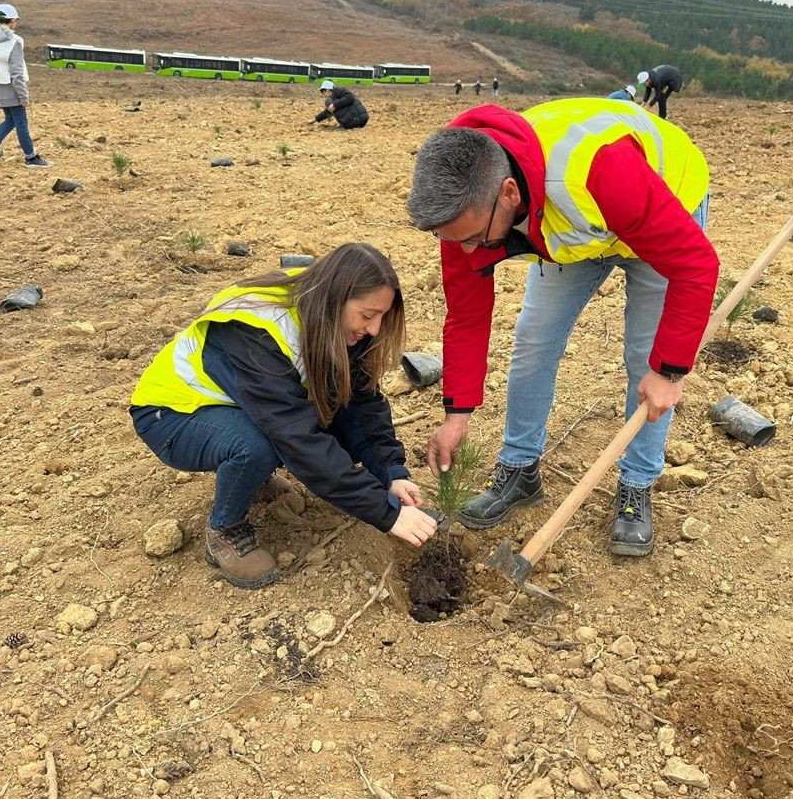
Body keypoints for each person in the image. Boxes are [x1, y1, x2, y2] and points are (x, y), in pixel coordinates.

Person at [405, 99, 718, 558]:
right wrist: (457, 415)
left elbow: (696, 265)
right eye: (455, 241)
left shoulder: (594, 170)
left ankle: (636, 484)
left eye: (474, 239)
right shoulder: (463, 207)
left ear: (509, 194)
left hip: (660, 203)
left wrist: (670, 371)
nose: (468, 252)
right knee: (534, 339)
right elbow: (467, 317)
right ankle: (519, 469)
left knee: (645, 359)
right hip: (578, 230)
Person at [129, 243, 439, 589]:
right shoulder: (257, 329)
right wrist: (386, 514)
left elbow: (362, 406)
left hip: (240, 404)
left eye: (381, 316)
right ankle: (225, 529)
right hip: (172, 414)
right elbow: (296, 437)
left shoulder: (332, 315)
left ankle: (254, 476)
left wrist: (390, 474)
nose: (376, 329)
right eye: (368, 316)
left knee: (324, 417)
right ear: (336, 297)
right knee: (260, 445)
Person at [0, 3, 51, 169]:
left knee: (11, 119)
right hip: (11, 86)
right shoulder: (15, 41)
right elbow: (16, 72)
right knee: (21, 121)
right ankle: (31, 157)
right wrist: (23, 95)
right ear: (13, 20)